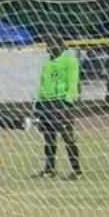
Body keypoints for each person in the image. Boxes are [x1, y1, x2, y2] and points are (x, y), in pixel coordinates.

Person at [34, 37, 82, 180]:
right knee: (49, 137)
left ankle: (76, 170)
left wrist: (67, 102)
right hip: (46, 103)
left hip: (61, 102)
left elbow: (73, 82)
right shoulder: (47, 64)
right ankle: (49, 169)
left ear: (61, 45)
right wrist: (39, 102)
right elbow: (43, 84)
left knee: (67, 136)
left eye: (52, 44)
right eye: (47, 45)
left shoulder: (70, 61)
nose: (49, 48)